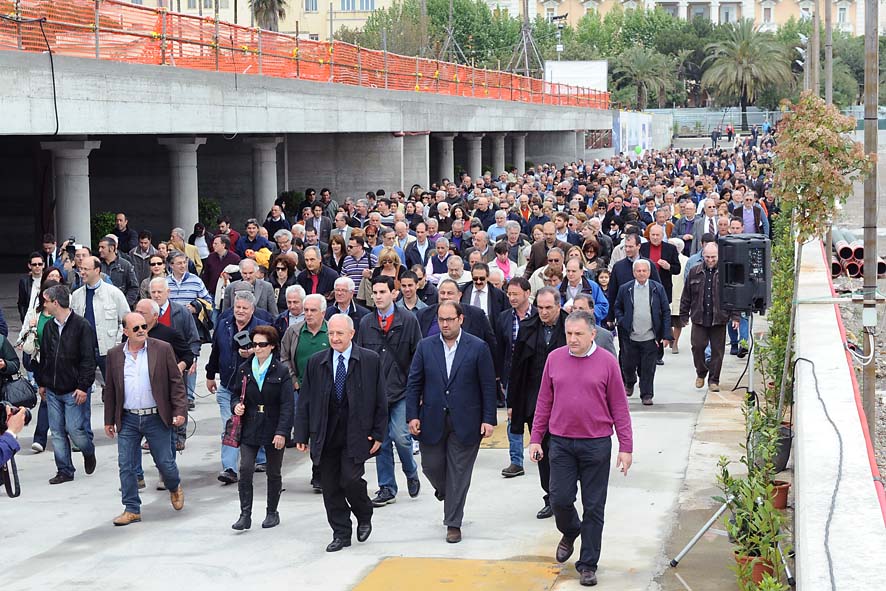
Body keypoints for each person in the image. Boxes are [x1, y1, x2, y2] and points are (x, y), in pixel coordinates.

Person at [530, 310, 633, 588]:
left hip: (596, 444)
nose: (572, 339)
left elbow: (620, 408)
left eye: (578, 334)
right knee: (559, 499)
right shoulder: (555, 359)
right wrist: (536, 437)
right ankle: (571, 530)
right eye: (568, 334)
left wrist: (626, 447)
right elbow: (544, 401)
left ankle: (588, 564)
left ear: (593, 334)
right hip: (561, 443)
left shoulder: (607, 363)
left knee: (594, 506)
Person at [294, 314, 388, 552]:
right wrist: (302, 434)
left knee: (351, 480)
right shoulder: (317, 362)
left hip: (356, 432)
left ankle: (363, 512)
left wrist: (378, 433)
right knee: (330, 486)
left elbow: (380, 399)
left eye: (339, 334)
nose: (334, 338)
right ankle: (341, 533)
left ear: (351, 334)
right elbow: (305, 400)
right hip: (325, 433)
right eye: (331, 334)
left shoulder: (369, 360)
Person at [406, 301, 496, 543]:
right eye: (441, 320)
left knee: (459, 472)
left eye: (449, 319)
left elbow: (488, 386)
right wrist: (412, 415)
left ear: (460, 319)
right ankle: (447, 491)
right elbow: (414, 383)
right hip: (432, 418)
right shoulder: (425, 347)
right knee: (430, 466)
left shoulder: (477, 347)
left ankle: (453, 523)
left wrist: (489, 419)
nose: (444, 324)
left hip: (467, 421)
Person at [103, 312, 187, 525]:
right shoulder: (114, 355)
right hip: (128, 418)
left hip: (156, 417)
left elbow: (176, 383)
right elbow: (111, 389)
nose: (141, 331)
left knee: (165, 463)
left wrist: (179, 412)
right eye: (136, 328)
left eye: (144, 326)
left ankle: (174, 485)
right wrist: (108, 420)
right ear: (125, 332)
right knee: (126, 464)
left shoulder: (162, 348)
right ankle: (132, 509)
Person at [356, 276, 423, 507]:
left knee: (401, 437)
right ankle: (387, 487)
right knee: (380, 441)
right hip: (375, 394)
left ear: (393, 294)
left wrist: (418, 389)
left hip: (402, 390)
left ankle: (410, 471)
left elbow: (418, 356)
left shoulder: (408, 320)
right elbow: (361, 358)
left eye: (382, 291)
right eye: (374, 292)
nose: (378, 296)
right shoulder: (365, 323)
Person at [507, 287, 567, 519]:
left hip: (566, 402)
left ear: (558, 306)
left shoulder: (570, 328)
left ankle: (564, 494)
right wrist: (513, 402)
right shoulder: (528, 328)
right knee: (542, 449)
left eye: (548, 308)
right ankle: (551, 497)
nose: (543, 312)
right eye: (539, 307)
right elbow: (517, 368)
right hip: (535, 401)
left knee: (562, 453)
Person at [231, 325, 293, 530]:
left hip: (273, 423)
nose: (257, 349)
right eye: (254, 344)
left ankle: (271, 511)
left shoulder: (281, 371)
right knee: (246, 468)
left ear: (272, 347)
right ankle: (245, 514)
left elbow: (287, 404)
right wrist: (236, 406)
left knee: (273, 472)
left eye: (262, 345)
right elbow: (234, 392)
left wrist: (282, 432)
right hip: (250, 423)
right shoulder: (245, 369)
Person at [34, 285, 98, 484]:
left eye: (46, 300)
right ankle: (64, 470)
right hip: (52, 389)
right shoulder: (50, 326)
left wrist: (83, 385)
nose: (44, 304)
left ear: (55, 302)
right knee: (57, 431)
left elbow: (89, 359)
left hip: (73, 389)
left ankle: (88, 451)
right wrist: (42, 383)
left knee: (75, 430)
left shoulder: (82, 326)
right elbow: (44, 356)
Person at [206, 291, 270, 484]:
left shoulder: (262, 328)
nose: (240, 311)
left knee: (254, 421)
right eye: (237, 307)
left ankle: (261, 458)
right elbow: (216, 350)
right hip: (228, 386)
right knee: (230, 424)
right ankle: (230, 468)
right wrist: (210, 375)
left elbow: (273, 356)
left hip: (254, 387)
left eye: (244, 308)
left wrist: (254, 353)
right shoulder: (224, 325)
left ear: (252, 309)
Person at [280, 293, 329, 491]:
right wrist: (293, 380)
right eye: (306, 310)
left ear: (323, 312)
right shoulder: (294, 332)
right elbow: (284, 356)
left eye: (313, 310)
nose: (308, 314)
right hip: (302, 391)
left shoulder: (331, 331)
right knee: (311, 431)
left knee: (324, 432)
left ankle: (321, 472)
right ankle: (317, 469)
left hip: (329, 392)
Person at [680, 243, 740, 392]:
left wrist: (735, 316)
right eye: (707, 257)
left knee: (717, 351)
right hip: (699, 317)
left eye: (713, 257)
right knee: (697, 347)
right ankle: (701, 372)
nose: (710, 260)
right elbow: (686, 295)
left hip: (719, 318)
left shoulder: (726, 273)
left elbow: (733, 296)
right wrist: (683, 315)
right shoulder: (694, 272)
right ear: (703, 256)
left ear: (719, 256)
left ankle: (714, 380)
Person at [614, 260, 673, 406]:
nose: (641, 273)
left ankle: (646, 394)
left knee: (648, 368)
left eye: (644, 271)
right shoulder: (625, 289)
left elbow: (666, 311)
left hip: (650, 336)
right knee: (627, 365)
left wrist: (666, 335)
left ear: (649, 272)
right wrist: (622, 320)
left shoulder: (657, 289)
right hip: (630, 336)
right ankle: (630, 381)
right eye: (638, 271)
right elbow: (617, 307)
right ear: (634, 273)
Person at [493, 277, 534, 479]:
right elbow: (499, 349)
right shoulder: (503, 318)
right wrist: (499, 377)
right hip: (512, 375)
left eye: (515, 294)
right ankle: (516, 461)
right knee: (513, 416)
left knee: (537, 416)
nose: (511, 298)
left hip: (536, 375)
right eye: (509, 294)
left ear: (527, 293)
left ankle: (542, 453)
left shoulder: (539, 314)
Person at [98, 236, 140, 307]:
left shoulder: (125, 265)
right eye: (99, 247)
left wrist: (125, 304)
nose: (99, 250)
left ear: (111, 248)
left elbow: (134, 287)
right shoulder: (97, 265)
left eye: (103, 247)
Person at [572, 293, 617, 357]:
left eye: (581, 308)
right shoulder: (564, 333)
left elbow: (612, 363)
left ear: (591, 311)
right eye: (575, 308)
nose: (577, 312)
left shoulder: (604, 336)